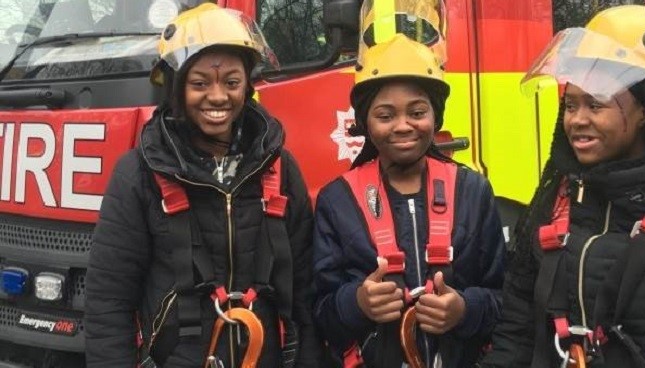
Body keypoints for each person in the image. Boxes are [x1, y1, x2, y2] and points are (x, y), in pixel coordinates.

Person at [482, 5, 645, 368]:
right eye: (571, 105)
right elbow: (517, 331)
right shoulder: (557, 199)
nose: (577, 120)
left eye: (596, 104)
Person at [84, 3, 321, 367]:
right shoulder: (138, 175)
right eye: (199, 83)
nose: (217, 97)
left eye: (232, 82)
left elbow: (304, 287)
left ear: (247, 86)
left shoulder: (280, 168)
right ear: (176, 89)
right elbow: (108, 303)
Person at [312, 1, 505, 367]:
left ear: (436, 116)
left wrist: (465, 310)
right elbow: (317, 312)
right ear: (366, 122)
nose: (403, 126)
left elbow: (508, 299)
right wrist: (356, 304)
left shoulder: (474, 192)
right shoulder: (336, 200)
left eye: (417, 112)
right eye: (385, 115)